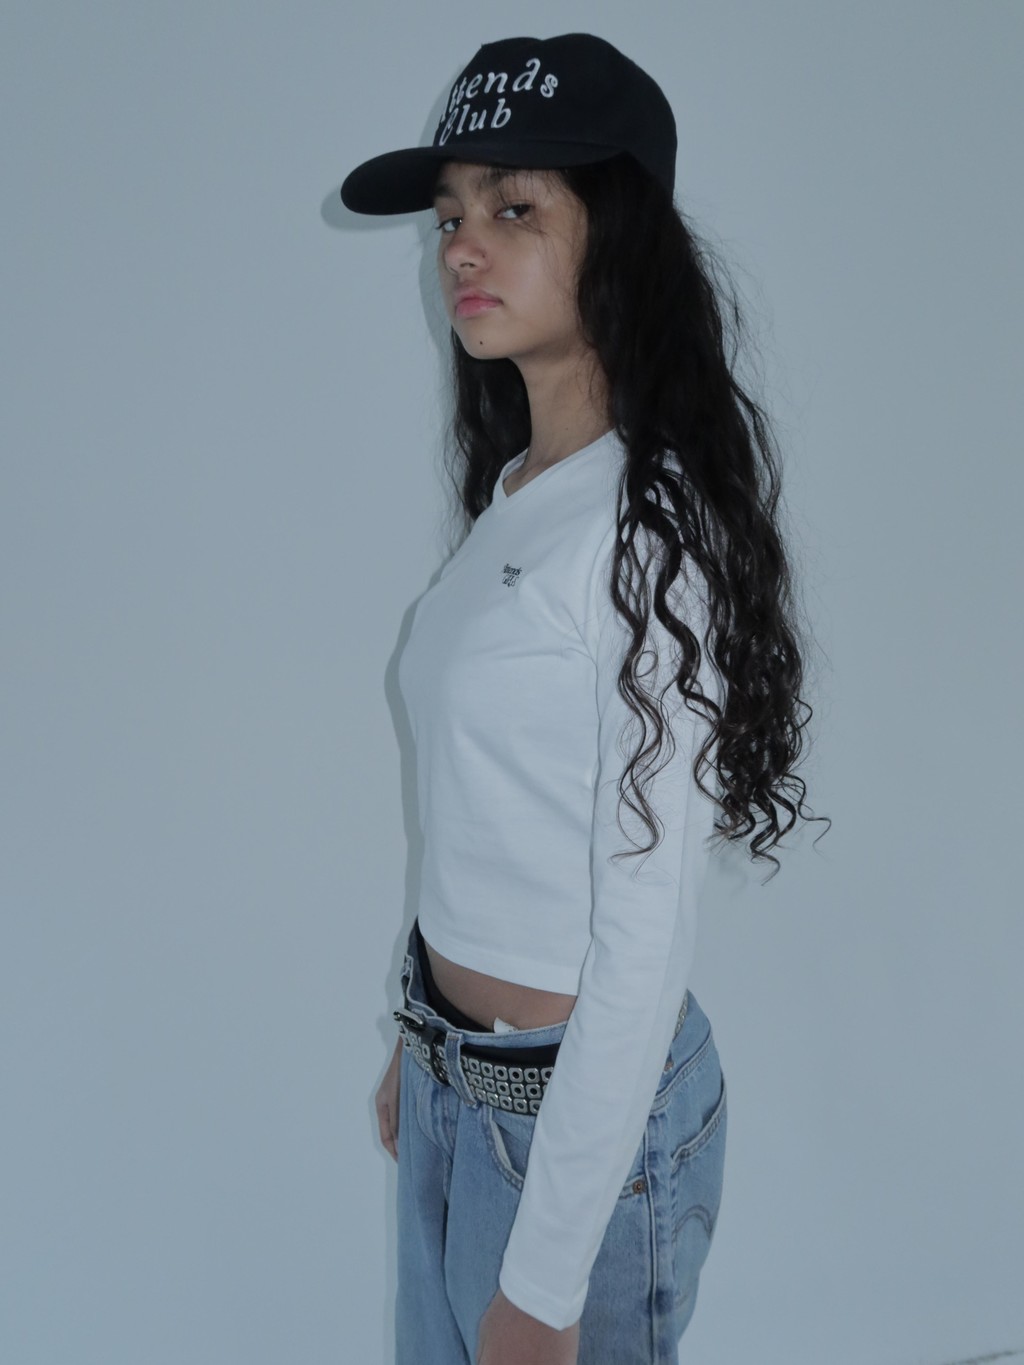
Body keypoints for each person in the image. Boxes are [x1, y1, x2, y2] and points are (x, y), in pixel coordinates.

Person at [340, 32, 827, 1365]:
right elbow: (487, 814)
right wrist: (424, 1046)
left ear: (619, 237)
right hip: (463, 1093)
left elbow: (645, 938)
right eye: (451, 215)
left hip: (575, 1141)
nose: (461, 247)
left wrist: (547, 1277)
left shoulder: (645, 536)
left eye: (513, 209)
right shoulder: (520, 497)